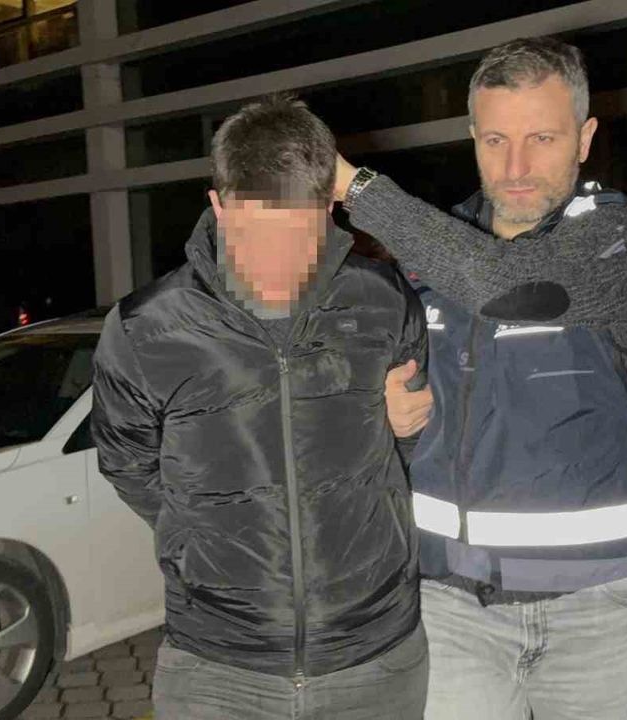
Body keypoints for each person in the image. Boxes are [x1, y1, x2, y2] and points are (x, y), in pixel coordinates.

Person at [334, 37, 627, 719]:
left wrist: (354, 188)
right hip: (448, 602)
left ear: (584, 138)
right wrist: (384, 415)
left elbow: (509, 285)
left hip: (592, 609)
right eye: (495, 141)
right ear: (473, 138)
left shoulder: (620, 240)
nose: (516, 167)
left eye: (542, 138)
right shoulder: (432, 252)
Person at [90, 94, 429, 720]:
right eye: (253, 234)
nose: (277, 265)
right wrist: (202, 540)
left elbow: (407, 443)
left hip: (375, 654)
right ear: (218, 206)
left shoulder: (382, 300)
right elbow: (127, 463)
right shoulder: (145, 327)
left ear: (329, 209)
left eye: (299, 235)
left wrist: (404, 422)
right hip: (215, 666)